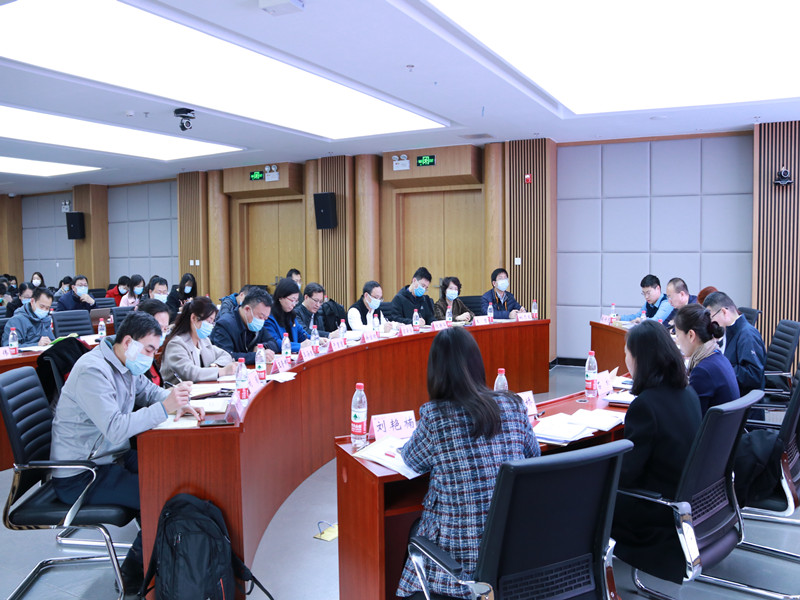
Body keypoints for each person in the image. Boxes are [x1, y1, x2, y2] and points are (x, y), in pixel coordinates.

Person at [50, 311, 201, 594]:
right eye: (149, 349)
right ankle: (133, 574)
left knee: (173, 475)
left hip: (110, 458)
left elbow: (150, 392)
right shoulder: (93, 370)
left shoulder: (124, 363)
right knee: (162, 494)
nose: (151, 357)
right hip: (82, 473)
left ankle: (159, 549)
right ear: (129, 342)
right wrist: (165, 408)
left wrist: (179, 400)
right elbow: (116, 429)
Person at [396, 327, 539, 598]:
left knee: (418, 530)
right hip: (513, 556)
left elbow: (411, 459)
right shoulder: (513, 404)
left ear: (436, 373)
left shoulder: (436, 417)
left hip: (459, 570)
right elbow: (534, 456)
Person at [611, 320, 702, 580]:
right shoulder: (688, 393)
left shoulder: (645, 406)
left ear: (640, 359)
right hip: (686, 501)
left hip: (657, 511)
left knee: (586, 495)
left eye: (627, 353)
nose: (625, 360)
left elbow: (626, 475)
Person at [674, 304, 739, 416]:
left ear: (691, 335)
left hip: (712, 427)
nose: (677, 341)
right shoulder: (717, 356)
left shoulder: (703, 371)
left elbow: (690, 417)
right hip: (726, 426)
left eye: (678, 335)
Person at [703, 291, 766, 396]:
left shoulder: (748, 335)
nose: (711, 323)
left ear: (724, 312)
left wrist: (719, 367)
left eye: (711, 318)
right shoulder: (730, 331)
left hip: (742, 401)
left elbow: (753, 376)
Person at [161, 297, 236, 384]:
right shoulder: (177, 344)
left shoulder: (204, 340)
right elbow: (190, 373)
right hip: (180, 391)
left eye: (212, 322)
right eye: (208, 321)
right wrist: (222, 371)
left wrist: (215, 365)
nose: (211, 326)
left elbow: (225, 355)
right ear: (194, 318)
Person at [210, 287, 278, 364]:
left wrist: (261, 347)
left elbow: (273, 343)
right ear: (247, 309)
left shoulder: (255, 324)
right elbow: (226, 356)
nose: (262, 321)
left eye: (265, 318)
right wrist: (257, 356)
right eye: (261, 317)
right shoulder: (224, 325)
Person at [266, 278, 311, 353]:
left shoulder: (291, 315)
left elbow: (302, 335)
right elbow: (275, 343)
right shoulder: (268, 317)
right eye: (292, 300)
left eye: (296, 301)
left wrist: (317, 340)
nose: (294, 304)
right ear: (281, 297)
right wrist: (300, 346)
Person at [135, 298, 171, 387]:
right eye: (158, 328)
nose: (162, 333)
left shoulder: (151, 353)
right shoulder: (134, 359)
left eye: (165, 329)